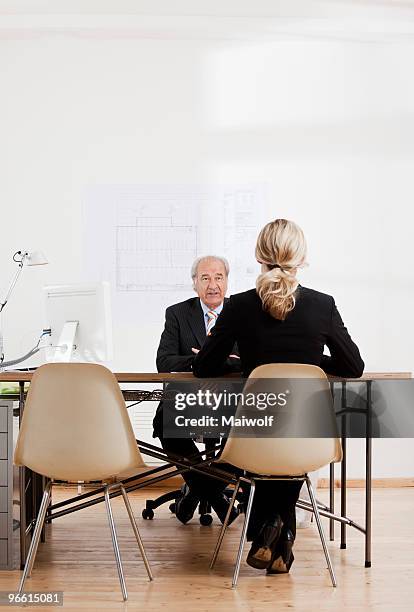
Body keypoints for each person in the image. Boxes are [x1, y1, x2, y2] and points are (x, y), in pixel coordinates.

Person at [193, 219, 364, 575]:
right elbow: (353, 366)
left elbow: (203, 366)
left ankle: (268, 529)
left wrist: (244, 363)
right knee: (289, 438)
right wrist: (310, 358)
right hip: (306, 435)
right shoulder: (322, 305)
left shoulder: (239, 305)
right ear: (300, 258)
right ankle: (280, 533)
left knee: (269, 434)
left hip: (252, 433)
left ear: (260, 256)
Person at [153, 255, 241, 524]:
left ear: (226, 281)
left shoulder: (241, 312)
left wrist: (208, 358)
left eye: (218, 277)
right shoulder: (178, 313)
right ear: (195, 284)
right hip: (187, 399)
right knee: (164, 421)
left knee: (251, 427)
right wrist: (205, 360)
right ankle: (216, 496)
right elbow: (164, 361)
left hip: (231, 401)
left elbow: (251, 359)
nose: (212, 285)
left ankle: (197, 490)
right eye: (205, 278)